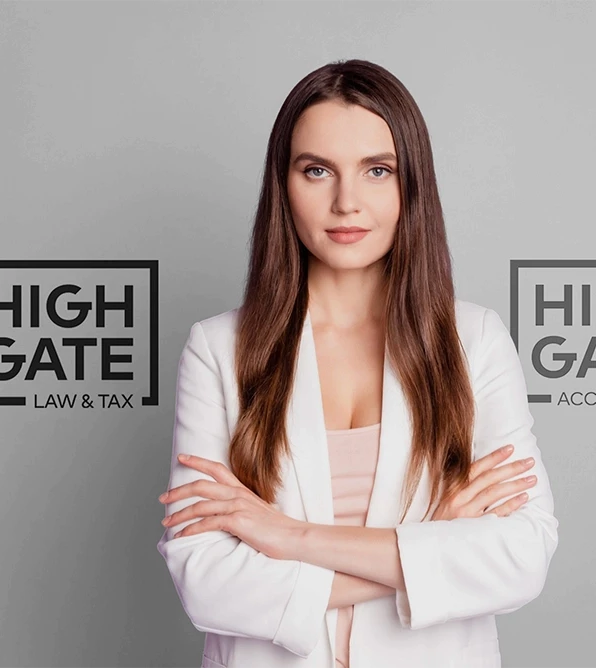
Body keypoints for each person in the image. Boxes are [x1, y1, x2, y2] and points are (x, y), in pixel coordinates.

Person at [157, 59, 559, 668]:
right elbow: (206, 581)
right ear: (283, 185)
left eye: (377, 170)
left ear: (410, 185)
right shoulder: (219, 349)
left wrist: (291, 539)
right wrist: (431, 544)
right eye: (317, 171)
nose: (347, 202)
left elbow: (520, 557)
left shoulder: (472, 341)